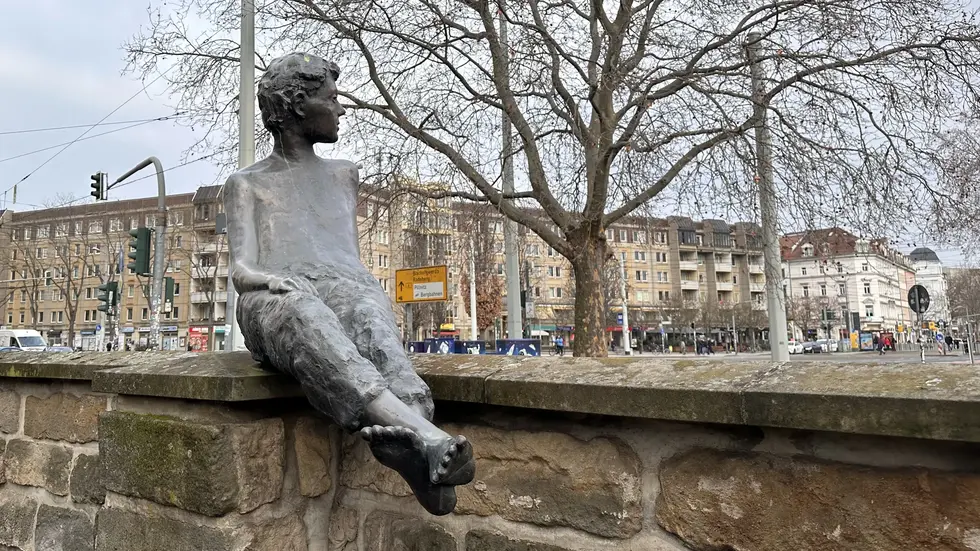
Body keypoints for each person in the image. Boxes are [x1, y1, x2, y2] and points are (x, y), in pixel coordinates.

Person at [225, 53, 474, 516]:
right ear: (298, 105)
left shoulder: (344, 174)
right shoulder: (246, 183)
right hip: (273, 297)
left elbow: (349, 261)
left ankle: (416, 451)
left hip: (341, 286)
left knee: (369, 314)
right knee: (305, 313)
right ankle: (426, 435)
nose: (341, 109)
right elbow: (241, 269)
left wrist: (366, 295)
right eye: (332, 98)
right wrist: (274, 280)